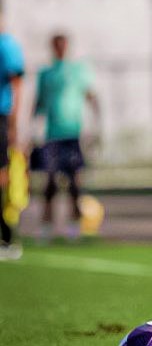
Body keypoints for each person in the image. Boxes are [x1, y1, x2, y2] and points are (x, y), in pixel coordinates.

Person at [32, 33, 98, 241]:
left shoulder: (78, 71)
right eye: (57, 45)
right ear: (52, 48)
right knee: (50, 183)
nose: (60, 49)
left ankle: (74, 228)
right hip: (53, 136)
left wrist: (96, 127)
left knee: (74, 184)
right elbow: (38, 103)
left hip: (73, 135)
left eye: (63, 45)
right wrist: (32, 131)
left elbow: (91, 97)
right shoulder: (46, 74)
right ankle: (46, 227)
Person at [0, 5, 24, 260]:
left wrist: (14, 124)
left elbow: (17, 85)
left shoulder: (6, 46)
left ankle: (7, 235)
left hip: (1, 117)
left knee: (2, 176)